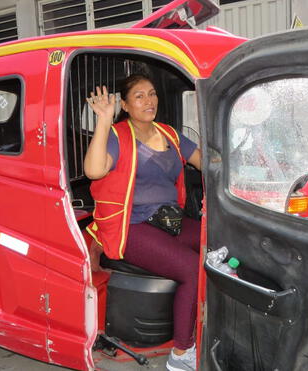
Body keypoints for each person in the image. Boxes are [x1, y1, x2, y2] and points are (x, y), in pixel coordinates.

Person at [84, 74, 202, 371]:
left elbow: (208, 163)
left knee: (223, 242)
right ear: (124, 104)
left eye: (151, 94)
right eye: (139, 96)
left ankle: (204, 319)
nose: (149, 101)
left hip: (169, 220)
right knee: (192, 268)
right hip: (131, 226)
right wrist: (103, 120)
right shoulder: (117, 135)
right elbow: (94, 170)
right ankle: (181, 353)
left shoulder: (171, 134)